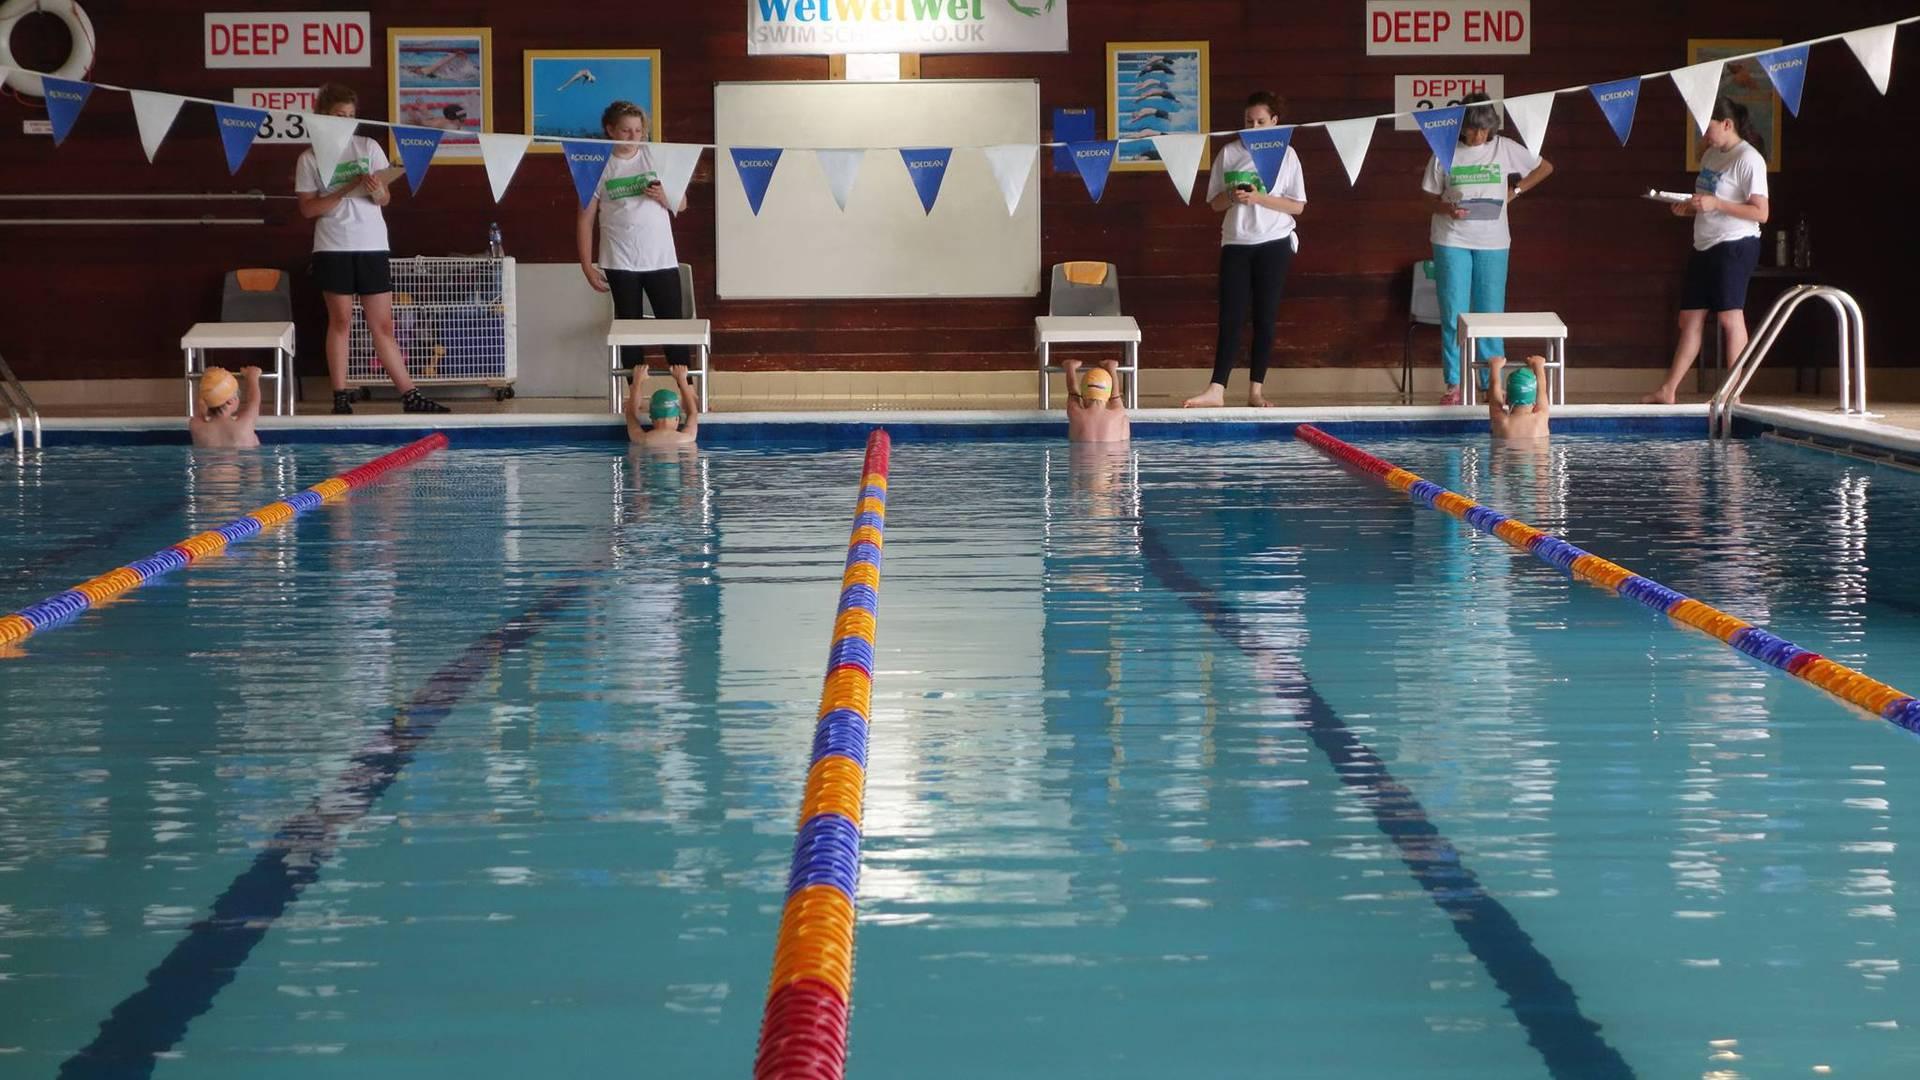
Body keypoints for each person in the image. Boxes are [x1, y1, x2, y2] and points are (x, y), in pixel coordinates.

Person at [295, 83, 448, 416]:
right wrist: (346, 188)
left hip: (372, 244)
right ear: (323, 116)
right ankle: (339, 394)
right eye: (339, 115)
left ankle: (409, 394)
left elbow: (384, 200)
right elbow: (308, 209)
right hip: (333, 246)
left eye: (350, 116)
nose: (346, 121)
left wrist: (378, 190)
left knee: (384, 325)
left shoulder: (368, 146)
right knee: (341, 321)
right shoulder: (309, 158)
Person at [1422, 93, 1554, 406]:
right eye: (1473, 129)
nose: (1479, 136)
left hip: (1493, 241)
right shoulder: (1444, 151)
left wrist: (1515, 190)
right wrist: (1447, 208)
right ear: (1463, 126)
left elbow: (1545, 167)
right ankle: (1454, 383)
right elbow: (1428, 198)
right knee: (1454, 313)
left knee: (1490, 314)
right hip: (1451, 238)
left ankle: (1489, 382)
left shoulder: (1504, 147)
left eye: (1484, 130)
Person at [1643, 97, 1770, 405]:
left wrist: (1717, 204)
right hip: (1704, 245)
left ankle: (1732, 393)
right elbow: (1706, 203)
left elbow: (1761, 213)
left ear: (1727, 124)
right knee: (1689, 319)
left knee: (1730, 318)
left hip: (1735, 245)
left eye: (1707, 128)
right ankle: (1668, 389)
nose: (1704, 136)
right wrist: (1686, 210)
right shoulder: (1711, 156)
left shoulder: (1748, 159)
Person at [1185, 90, 1307, 409]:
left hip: (1275, 242)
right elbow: (1214, 204)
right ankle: (1217, 388)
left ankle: (1256, 391)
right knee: (1231, 316)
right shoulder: (1229, 153)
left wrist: (1259, 198)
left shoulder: (1287, 155)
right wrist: (1233, 196)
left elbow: (1297, 207)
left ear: (1275, 122)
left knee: (1265, 317)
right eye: (1248, 121)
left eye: (1260, 121)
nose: (1253, 127)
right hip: (1236, 241)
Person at [577, 101, 693, 399]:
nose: (633, 137)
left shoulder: (655, 157)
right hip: (619, 259)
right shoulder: (597, 165)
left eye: (638, 131)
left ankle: (686, 388)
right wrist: (586, 264)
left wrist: (664, 196)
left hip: (660, 257)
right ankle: (635, 393)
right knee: (629, 327)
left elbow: (682, 204)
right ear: (610, 130)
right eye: (626, 131)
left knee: (672, 324)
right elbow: (585, 218)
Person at [188, 366, 262, 448]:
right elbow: (253, 401)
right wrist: (252, 377)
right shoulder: (245, 423)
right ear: (231, 401)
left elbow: (200, 405)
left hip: (208, 460)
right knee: (254, 439)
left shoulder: (196, 426)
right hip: (241, 460)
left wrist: (207, 379)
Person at [626, 367, 699, 449]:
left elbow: (630, 413)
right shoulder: (686, 438)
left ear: (652, 418)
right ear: (677, 418)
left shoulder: (642, 439)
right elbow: (693, 412)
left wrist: (637, 381)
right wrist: (682, 380)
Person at [1061, 358, 1129, 444]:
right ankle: (1110, 366)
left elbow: (1072, 392)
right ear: (1108, 394)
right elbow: (1115, 395)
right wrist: (1111, 367)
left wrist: (1070, 367)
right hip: (1112, 455)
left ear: (1083, 394)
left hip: (1081, 455)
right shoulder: (1117, 413)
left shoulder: (1075, 413)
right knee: (1124, 420)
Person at [1488, 355, 1550, 441]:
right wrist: (1538, 366)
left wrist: (1495, 367)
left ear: (1506, 398)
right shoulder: (1541, 418)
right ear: (1534, 398)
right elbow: (1542, 390)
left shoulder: (1502, 421)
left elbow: (1494, 390)